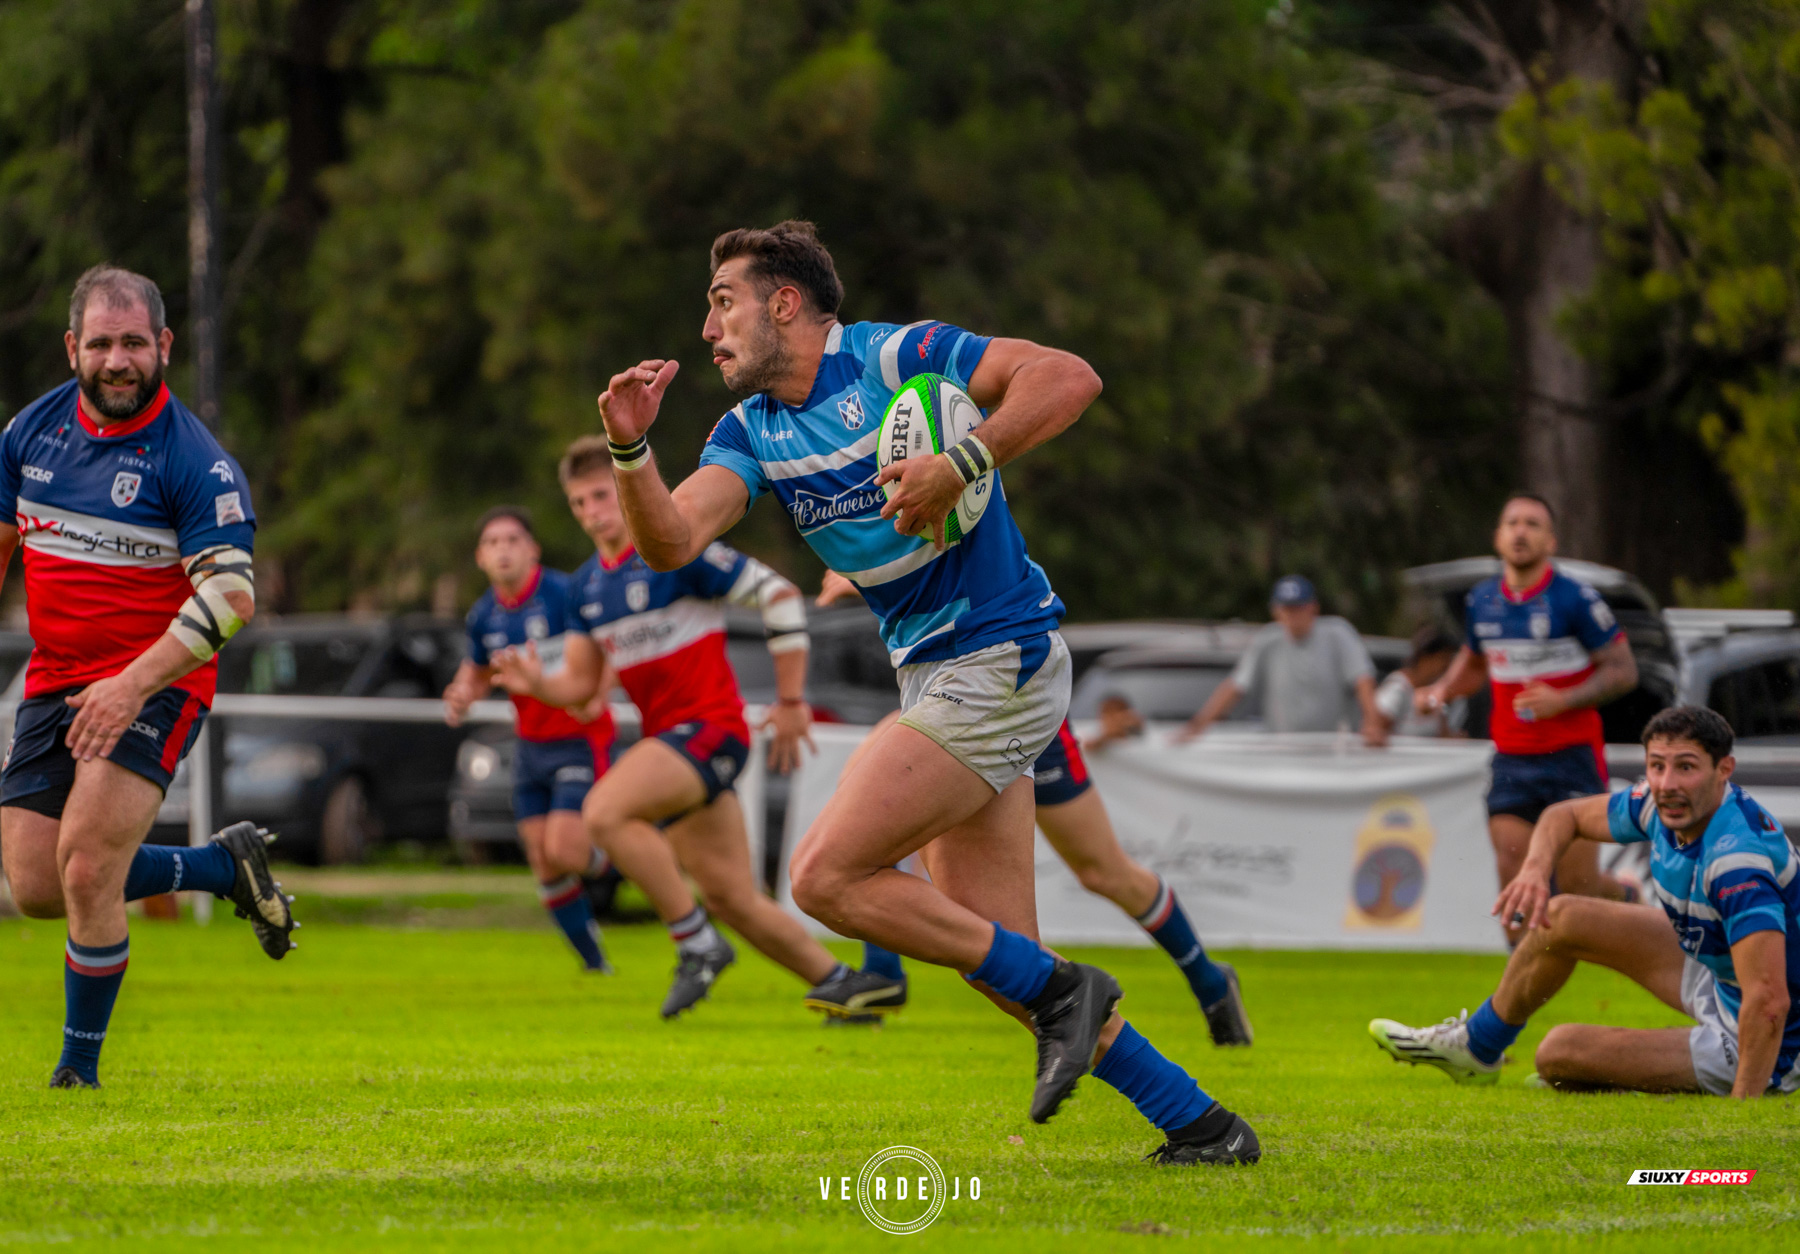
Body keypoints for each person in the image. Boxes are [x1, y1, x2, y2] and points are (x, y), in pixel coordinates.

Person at [591, 220, 1258, 1165]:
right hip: (938, 675)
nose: (708, 329)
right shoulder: (751, 432)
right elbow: (669, 542)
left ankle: (1074, 993)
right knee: (1002, 966)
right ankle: (1203, 1125)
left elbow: (1069, 377)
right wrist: (629, 454)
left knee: (822, 876)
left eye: (722, 302)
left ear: (786, 304)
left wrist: (964, 461)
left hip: (1000, 654)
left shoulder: (894, 358)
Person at [0, 266, 296, 1090]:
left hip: (158, 681)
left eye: (134, 342)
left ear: (164, 345)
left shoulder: (195, 462)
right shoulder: (28, 436)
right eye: (101, 343)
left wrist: (132, 684)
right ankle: (214, 866)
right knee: (33, 886)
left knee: (89, 866)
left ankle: (76, 1071)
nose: (117, 360)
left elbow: (232, 597)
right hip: (55, 678)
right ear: (73, 349)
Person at [493, 437, 853, 1019]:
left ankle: (695, 942)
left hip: (709, 730)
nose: (591, 512)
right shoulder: (587, 588)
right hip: (675, 746)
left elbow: (781, 596)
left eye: (601, 497)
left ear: (624, 492)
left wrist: (791, 699)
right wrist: (536, 683)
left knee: (605, 813)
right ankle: (846, 985)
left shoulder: (673, 551)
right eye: (579, 503)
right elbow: (582, 686)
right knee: (731, 897)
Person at [815, 570, 1253, 1045]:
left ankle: (1210, 982)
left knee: (1102, 872)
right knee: (868, 787)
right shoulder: (884, 522)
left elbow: (961, 569)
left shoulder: (963, 516)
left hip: (1012, 702)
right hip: (947, 700)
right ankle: (884, 972)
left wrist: (867, 571)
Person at [1370, 706, 1799, 1098]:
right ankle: (1476, 1048)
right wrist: (1536, 870)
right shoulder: (1658, 804)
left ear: (1724, 769)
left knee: (1558, 1054)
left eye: (1685, 767)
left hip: (1773, 1038)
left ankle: (1721, 1083)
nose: (1667, 784)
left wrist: (1743, 1118)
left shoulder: (1736, 863)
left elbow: (1768, 1001)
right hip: (1723, 979)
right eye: (1657, 766)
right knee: (1561, 916)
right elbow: (1564, 816)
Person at [1414, 493, 1637, 942]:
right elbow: (1475, 663)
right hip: (1513, 757)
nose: (1520, 531)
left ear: (1550, 541)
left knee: (1577, 889)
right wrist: (1441, 691)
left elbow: (1623, 670)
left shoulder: (1574, 599)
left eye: (1533, 524)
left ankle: (1623, 896)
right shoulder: (1482, 601)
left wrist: (1564, 698)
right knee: (1513, 870)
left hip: (1572, 756)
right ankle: (1517, 984)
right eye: (1512, 522)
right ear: (1498, 538)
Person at [443, 505, 618, 972]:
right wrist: (463, 693)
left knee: (566, 850)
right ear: (480, 556)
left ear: (532, 550)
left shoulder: (565, 594)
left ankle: (629, 855)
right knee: (544, 863)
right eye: (493, 543)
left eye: (512, 540)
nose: (503, 550)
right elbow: (478, 671)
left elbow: (612, 643)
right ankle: (594, 963)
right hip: (531, 746)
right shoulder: (484, 615)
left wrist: (598, 695)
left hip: (579, 739)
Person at [1179, 575, 1385, 746]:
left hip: (1332, 752)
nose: (1292, 615)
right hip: (1281, 753)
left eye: (1298, 607)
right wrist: (1196, 728)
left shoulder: (1338, 634)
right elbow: (1235, 687)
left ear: (1313, 608)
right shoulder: (1267, 640)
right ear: (1275, 611)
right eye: (1286, 608)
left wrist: (1372, 723)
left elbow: (1362, 679)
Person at [1369, 627, 1462, 739]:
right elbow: (1375, 728)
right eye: (1444, 659)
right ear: (1426, 657)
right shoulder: (1398, 688)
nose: (1447, 666)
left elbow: (1443, 736)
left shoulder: (1438, 694)